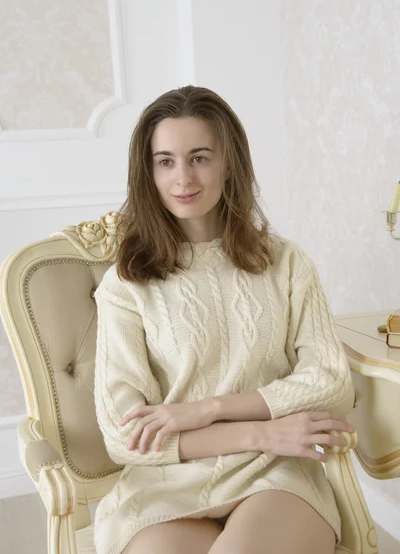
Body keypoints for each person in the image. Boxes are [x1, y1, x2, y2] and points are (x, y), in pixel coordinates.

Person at [93, 85, 356, 554]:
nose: (183, 178)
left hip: (274, 471)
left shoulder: (286, 262)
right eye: (165, 161)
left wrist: (207, 409)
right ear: (147, 172)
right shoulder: (126, 284)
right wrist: (260, 429)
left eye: (199, 157)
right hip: (168, 482)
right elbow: (124, 436)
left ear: (228, 161)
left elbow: (332, 381)